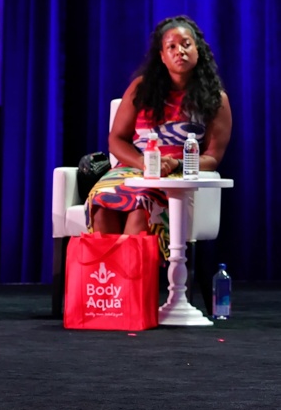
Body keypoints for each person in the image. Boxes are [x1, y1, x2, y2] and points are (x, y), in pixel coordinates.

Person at [85, 17, 233, 254]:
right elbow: (116, 139)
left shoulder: (217, 99)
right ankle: (110, 286)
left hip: (176, 176)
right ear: (162, 56)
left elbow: (212, 157)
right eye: (171, 47)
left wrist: (177, 163)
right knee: (103, 205)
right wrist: (143, 164)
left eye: (186, 44)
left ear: (198, 51)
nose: (179, 52)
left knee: (140, 209)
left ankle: (134, 286)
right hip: (133, 169)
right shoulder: (140, 88)